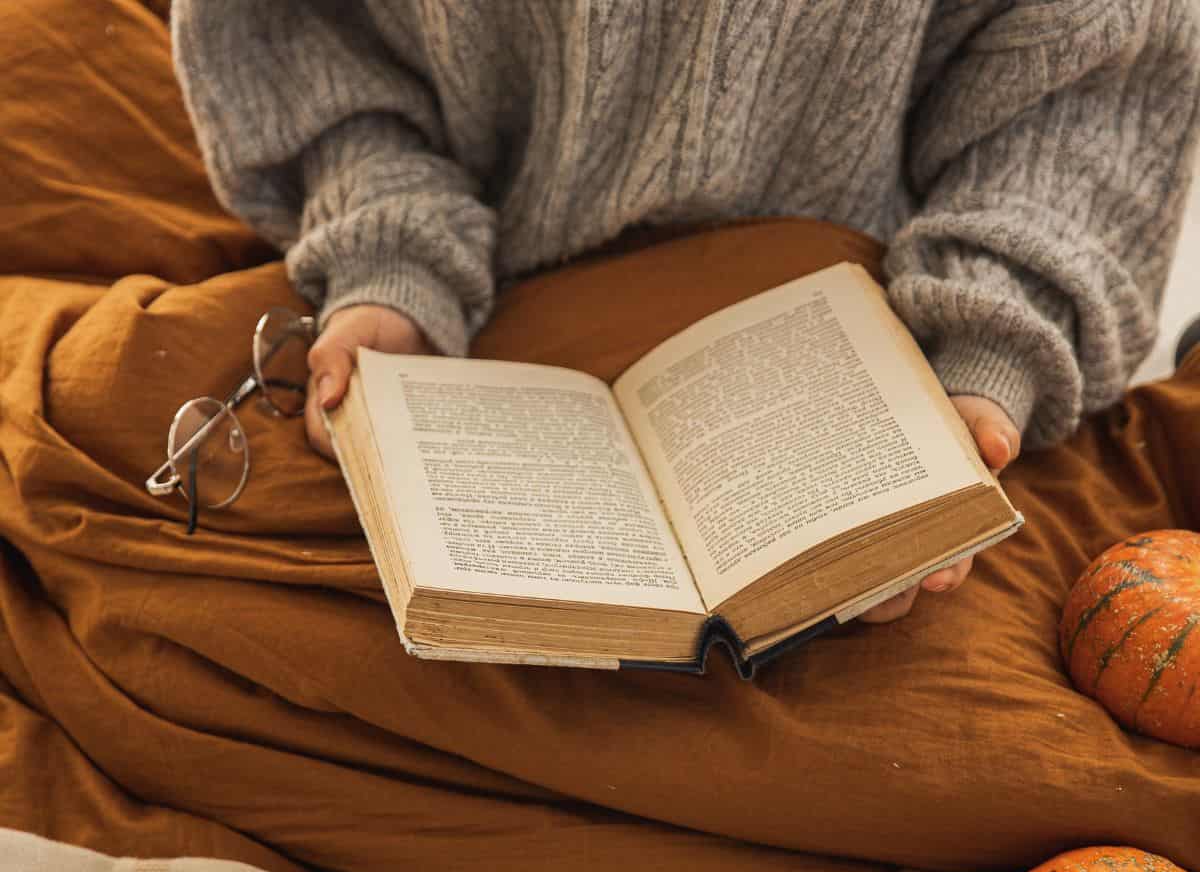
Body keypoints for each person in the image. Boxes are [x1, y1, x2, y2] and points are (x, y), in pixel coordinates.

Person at [171, 0, 1199, 623]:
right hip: (476, 300)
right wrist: (389, 252)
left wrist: (979, 354)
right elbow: (306, 43)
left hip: (884, 333)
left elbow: (1094, 80)